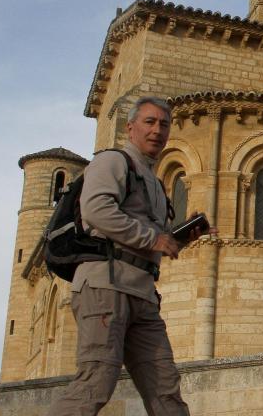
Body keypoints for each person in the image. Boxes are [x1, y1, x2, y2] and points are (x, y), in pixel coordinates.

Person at [48, 96, 200, 416]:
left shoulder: (156, 185)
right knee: (96, 381)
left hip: (142, 295)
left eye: (163, 124)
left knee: (166, 389)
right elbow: (97, 211)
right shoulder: (113, 161)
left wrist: (180, 239)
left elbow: (154, 242)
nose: (157, 130)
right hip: (106, 287)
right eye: (149, 122)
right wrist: (154, 239)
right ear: (130, 127)